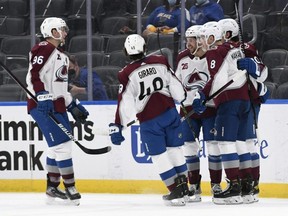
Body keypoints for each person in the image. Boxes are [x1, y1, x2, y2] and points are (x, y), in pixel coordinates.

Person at [108, 34, 189, 206]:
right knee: (175, 150)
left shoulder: (126, 73)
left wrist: (118, 125)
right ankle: (184, 188)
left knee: (159, 156)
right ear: (145, 47)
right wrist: (183, 99)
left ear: (126, 51)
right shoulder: (160, 60)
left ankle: (175, 190)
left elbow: (126, 101)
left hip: (149, 121)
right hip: (170, 114)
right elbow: (176, 86)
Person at [26, 17, 89, 206]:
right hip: (42, 105)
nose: (65, 32)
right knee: (63, 145)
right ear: (52, 31)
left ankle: (52, 186)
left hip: (57, 105)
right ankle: (70, 186)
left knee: (56, 147)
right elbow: (33, 75)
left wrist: (72, 104)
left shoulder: (61, 55)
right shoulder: (44, 48)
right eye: (62, 29)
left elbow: (60, 87)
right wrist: (41, 95)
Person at [192, 21, 251, 205]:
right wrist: (203, 94)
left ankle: (234, 187)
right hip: (244, 99)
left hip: (229, 103)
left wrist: (203, 97)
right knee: (239, 143)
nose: (201, 41)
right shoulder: (233, 48)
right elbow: (218, 78)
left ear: (212, 37)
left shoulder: (215, 52)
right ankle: (244, 186)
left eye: (203, 37)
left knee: (226, 145)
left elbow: (217, 80)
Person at [218, 18, 269, 203]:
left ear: (228, 33)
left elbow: (263, 73)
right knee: (242, 142)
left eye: (221, 32)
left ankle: (251, 185)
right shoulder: (222, 51)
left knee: (247, 142)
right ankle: (247, 184)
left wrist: (252, 66)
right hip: (238, 100)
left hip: (249, 100)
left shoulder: (246, 48)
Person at [175, 25, 221, 202]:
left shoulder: (213, 57)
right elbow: (177, 82)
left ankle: (216, 185)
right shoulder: (181, 58)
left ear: (201, 40)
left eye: (192, 40)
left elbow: (217, 81)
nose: (188, 44)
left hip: (209, 109)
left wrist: (206, 99)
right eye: (187, 40)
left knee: (214, 146)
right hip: (188, 110)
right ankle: (193, 185)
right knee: (188, 147)